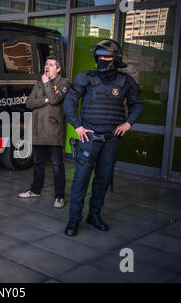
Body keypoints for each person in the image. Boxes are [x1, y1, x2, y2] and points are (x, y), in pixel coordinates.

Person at [63, 39, 145, 236]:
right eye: (100, 57)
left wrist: (128, 123)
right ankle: (74, 220)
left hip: (111, 140)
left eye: (107, 57)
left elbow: (138, 104)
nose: (103, 60)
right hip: (89, 139)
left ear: (115, 59)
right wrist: (78, 126)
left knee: (103, 180)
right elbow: (69, 102)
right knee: (80, 180)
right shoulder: (86, 77)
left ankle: (94, 215)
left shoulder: (126, 81)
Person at [18, 56, 69, 209]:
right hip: (38, 130)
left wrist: (47, 84)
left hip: (54, 131)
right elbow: (29, 103)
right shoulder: (38, 84)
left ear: (58, 69)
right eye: (46, 64)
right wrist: (44, 101)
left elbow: (55, 99)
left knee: (57, 165)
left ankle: (59, 196)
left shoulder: (64, 83)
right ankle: (35, 190)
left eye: (51, 65)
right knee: (38, 163)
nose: (47, 67)